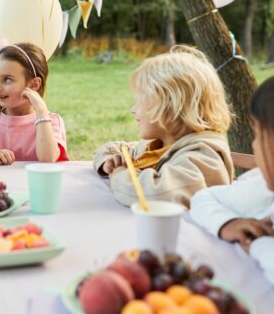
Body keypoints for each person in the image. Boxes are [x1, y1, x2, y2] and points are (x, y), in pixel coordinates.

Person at [190, 72, 274, 297]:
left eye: (257, 135)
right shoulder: (264, 190)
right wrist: (228, 222)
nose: (254, 147)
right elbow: (203, 198)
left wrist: (259, 246)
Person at [93, 46, 233, 207]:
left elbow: (155, 194)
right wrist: (109, 161)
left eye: (140, 102)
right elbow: (117, 148)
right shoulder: (159, 146)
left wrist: (120, 174)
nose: (133, 109)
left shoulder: (203, 156)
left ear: (169, 107)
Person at [0, 41, 68, 164]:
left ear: (34, 84)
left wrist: (41, 110)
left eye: (7, 80)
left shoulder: (51, 122)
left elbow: (48, 160)